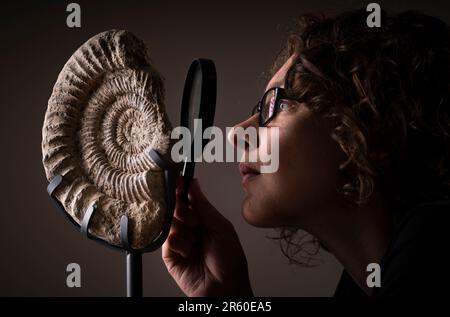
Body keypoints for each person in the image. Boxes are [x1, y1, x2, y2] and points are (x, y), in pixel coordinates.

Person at [162, 9, 450, 296]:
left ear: (372, 127)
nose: (236, 132)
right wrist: (228, 296)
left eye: (277, 105)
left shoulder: (434, 249)